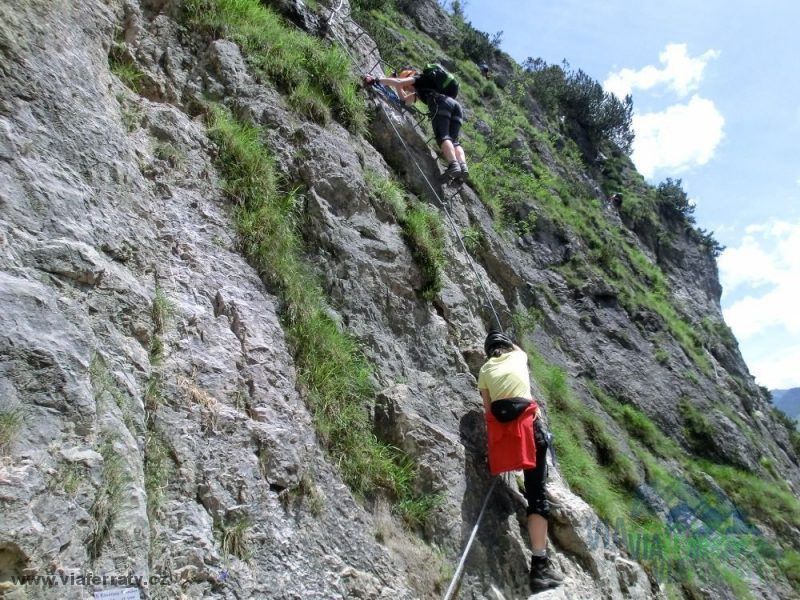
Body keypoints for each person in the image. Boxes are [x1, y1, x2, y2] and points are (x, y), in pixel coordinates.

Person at [478, 330, 564, 593]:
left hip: (507, 443)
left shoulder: (484, 371)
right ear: (507, 346)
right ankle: (539, 568)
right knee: (537, 497)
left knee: (534, 490)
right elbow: (518, 350)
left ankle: (540, 567)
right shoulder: (518, 357)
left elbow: (489, 411)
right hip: (530, 434)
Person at [364, 64, 468, 182]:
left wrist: (375, 80)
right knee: (454, 141)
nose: (407, 90)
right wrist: (398, 85)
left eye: (406, 87)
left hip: (442, 104)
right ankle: (463, 168)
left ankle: (454, 165)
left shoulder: (419, 78)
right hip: (456, 106)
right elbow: (404, 100)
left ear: (409, 78)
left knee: (443, 136)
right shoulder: (424, 89)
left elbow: (399, 82)